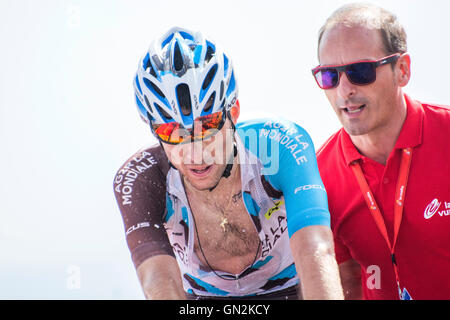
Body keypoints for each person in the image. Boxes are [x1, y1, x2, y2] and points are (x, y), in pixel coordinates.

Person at [113, 27, 344, 300]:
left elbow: (315, 251)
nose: (195, 152)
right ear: (154, 131)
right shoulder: (142, 179)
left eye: (208, 125)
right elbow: (158, 281)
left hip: (294, 289)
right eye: (172, 133)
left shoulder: (278, 143)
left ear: (233, 112)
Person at [313, 3, 450, 300]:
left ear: (402, 70)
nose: (344, 89)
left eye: (360, 71)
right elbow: (344, 282)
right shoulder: (318, 176)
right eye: (329, 76)